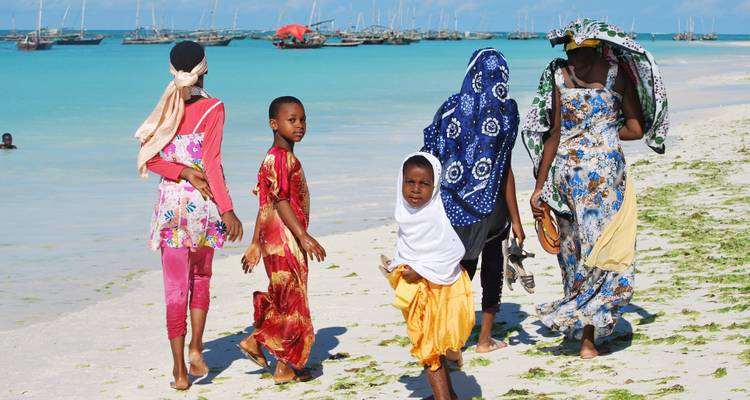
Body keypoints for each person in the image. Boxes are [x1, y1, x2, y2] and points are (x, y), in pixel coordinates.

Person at [527, 32, 643, 359]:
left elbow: (553, 134)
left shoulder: (559, 76)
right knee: (605, 249)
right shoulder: (616, 74)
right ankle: (588, 340)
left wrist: (539, 187)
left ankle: (578, 326)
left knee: (573, 250)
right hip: (605, 177)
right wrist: (604, 134)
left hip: (566, 174)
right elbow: (636, 129)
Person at [134, 41, 243, 390]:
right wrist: (228, 209)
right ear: (204, 69)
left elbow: (150, 158)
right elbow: (211, 163)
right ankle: (196, 348)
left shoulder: (165, 108)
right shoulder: (214, 108)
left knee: (174, 288)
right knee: (202, 277)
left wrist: (180, 172)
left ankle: (179, 371)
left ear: (172, 70)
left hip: (170, 211)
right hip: (204, 208)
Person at [422, 48, 526, 353]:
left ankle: (453, 342)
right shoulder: (507, 113)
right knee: (492, 269)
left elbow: (430, 156)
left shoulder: (450, 107)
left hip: (453, 207)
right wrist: (517, 220)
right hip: (494, 208)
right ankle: (484, 339)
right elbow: (504, 170)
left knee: (459, 271)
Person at [238, 96, 326, 384]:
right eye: (292, 120)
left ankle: (256, 343)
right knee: (294, 300)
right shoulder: (280, 158)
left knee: (284, 296)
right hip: (285, 239)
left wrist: (256, 243)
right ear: (274, 124)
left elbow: (265, 204)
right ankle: (284, 366)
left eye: (303, 119)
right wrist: (303, 235)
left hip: (273, 238)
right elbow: (280, 200)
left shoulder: (275, 157)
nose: (299, 125)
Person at [384, 152, 475, 400]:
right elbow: (408, 248)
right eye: (410, 182)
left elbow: (453, 252)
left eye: (424, 183)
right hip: (418, 290)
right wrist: (398, 264)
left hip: (441, 290)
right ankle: (448, 395)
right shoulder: (404, 213)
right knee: (432, 347)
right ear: (400, 181)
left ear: (434, 187)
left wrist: (421, 270)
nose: (416, 189)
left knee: (428, 348)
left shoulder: (437, 216)